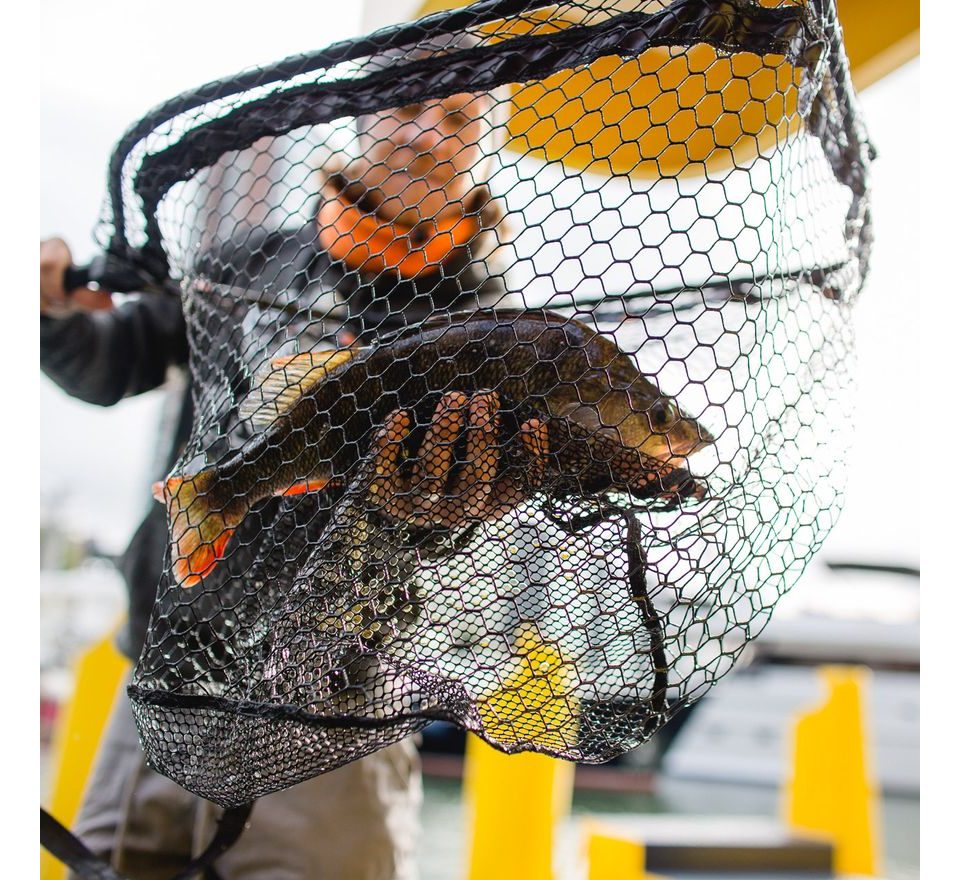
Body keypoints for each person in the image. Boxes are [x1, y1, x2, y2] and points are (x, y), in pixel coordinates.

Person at [40, 75, 526, 879]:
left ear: (483, 150)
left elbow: (466, 521)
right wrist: (48, 313)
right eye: (408, 106)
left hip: (338, 705)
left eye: (458, 119)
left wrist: (455, 504)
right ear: (364, 117)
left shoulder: (491, 329)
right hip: (169, 669)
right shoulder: (244, 262)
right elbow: (111, 360)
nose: (429, 136)